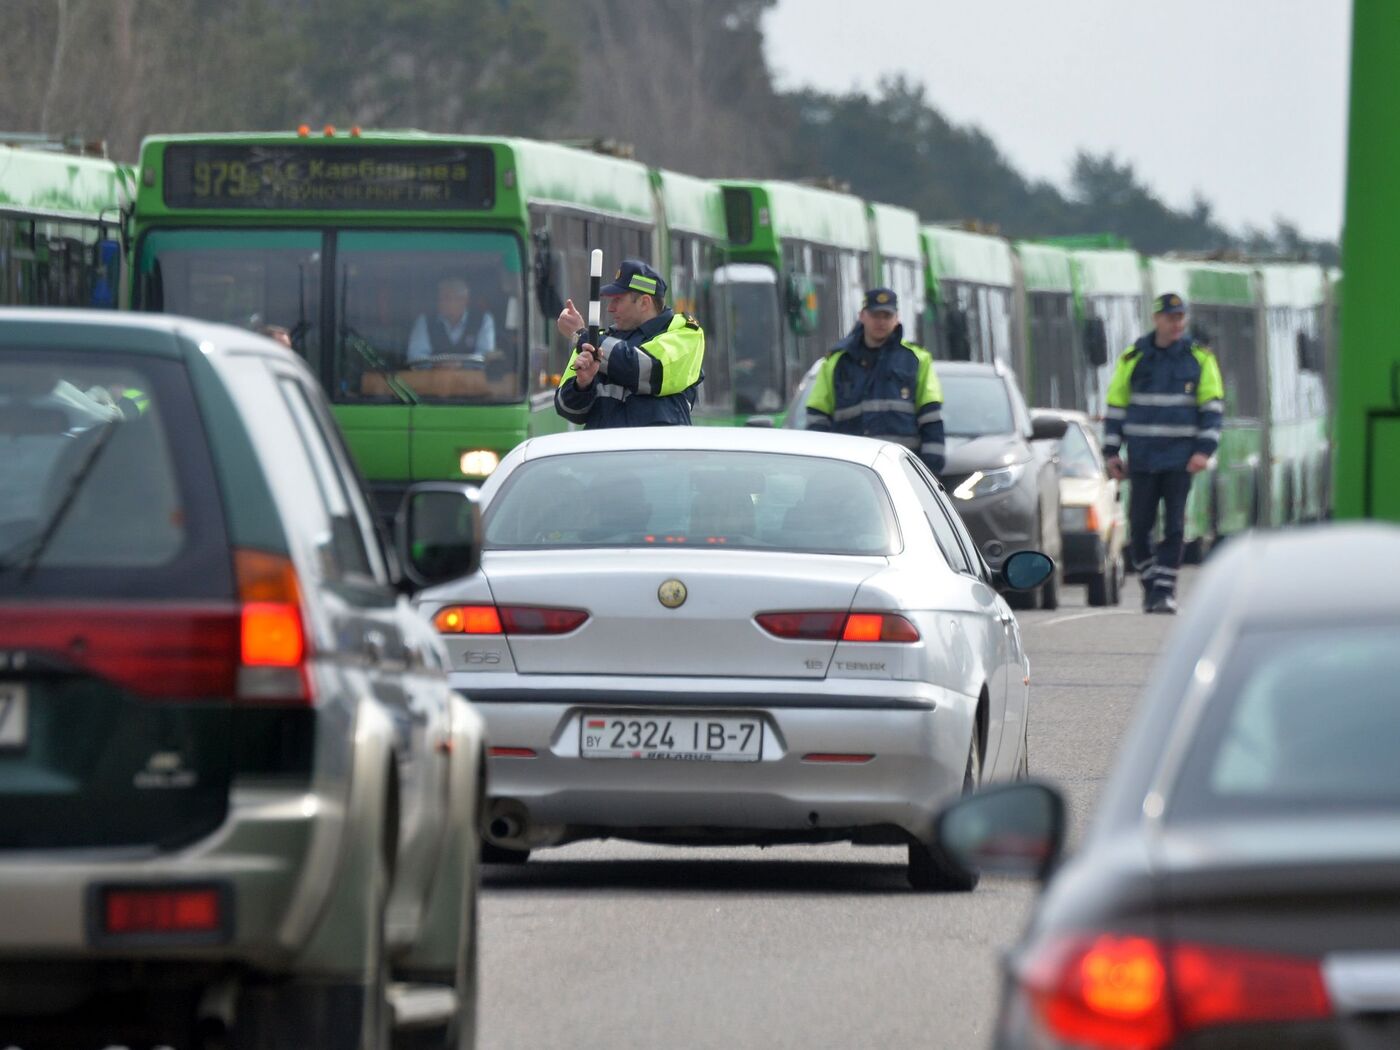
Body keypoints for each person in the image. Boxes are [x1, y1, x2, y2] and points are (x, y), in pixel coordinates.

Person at [1102, 292, 1224, 615]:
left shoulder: (1200, 359)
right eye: (1171, 318)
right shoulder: (1133, 358)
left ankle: (1165, 592)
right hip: (1141, 460)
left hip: (1179, 460)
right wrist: (1111, 452)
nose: (1177, 324)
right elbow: (1116, 408)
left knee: (1174, 527)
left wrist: (1204, 451)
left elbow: (1212, 409)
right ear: (1156, 319)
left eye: (1181, 318)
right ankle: (1151, 582)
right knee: (1139, 527)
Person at [804, 288, 945, 474]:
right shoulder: (837, 362)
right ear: (862, 316)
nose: (881, 321)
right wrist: (819, 466)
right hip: (850, 469)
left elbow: (930, 417)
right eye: (875, 315)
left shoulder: (917, 359)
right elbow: (818, 417)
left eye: (887, 316)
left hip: (902, 470)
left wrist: (930, 470)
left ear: (897, 318)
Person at [553, 259, 704, 428]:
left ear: (644, 303)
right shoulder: (596, 340)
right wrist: (582, 385)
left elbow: (647, 369)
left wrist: (581, 335)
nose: (610, 308)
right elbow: (566, 408)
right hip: (606, 453)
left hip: (659, 453)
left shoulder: (685, 331)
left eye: (618, 300)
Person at [406, 276, 496, 364]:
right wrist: (439, 366)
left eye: (446, 298)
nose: (441, 302)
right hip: (432, 377)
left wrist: (460, 365)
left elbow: (486, 356)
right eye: (440, 298)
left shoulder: (483, 320)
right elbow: (415, 357)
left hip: (474, 378)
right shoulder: (425, 321)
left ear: (463, 300)